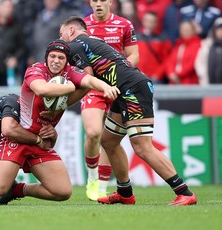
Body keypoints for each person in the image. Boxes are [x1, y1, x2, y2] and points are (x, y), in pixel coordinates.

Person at [59, 16, 197, 206]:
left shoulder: (75, 44)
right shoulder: (94, 41)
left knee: (142, 146)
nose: (61, 40)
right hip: (125, 89)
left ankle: (184, 192)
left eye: (61, 34)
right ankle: (125, 193)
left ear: (72, 30)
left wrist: (62, 101)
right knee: (109, 141)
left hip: (133, 89)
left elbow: (87, 79)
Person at [0, 39, 120, 205]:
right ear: (46, 58)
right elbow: (41, 89)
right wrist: (70, 87)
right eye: (52, 56)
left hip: (40, 142)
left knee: (63, 192)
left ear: (66, 61)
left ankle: (17, 190)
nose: (56, 61)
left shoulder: (70, 72)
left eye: (61, 58)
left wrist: (105, 87)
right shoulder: (36, 69)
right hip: (17, 137)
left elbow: (89, 81)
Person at [81, 0, 139, 201]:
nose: (98, 4)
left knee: (109, 139)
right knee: (94, 132)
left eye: (102, 0)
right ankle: (93, 176)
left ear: (110, 1)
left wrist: (122, 73)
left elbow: (134, 56)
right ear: (90, 2)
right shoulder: (83, 26)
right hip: (93, 86)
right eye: (95, 0)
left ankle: (103, 187)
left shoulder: (124, 25)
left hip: (118, 88)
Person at [164, 20, 201, 85]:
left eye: (188, 30)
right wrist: (170, 73)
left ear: (193, 31)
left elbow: (192, 63)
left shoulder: (198, 45)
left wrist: (177, 74)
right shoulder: (178, 45)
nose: (185, 32)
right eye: (183, 30)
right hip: (174, 81)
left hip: (189, 81)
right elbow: (170, 61)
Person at [195, 17, 222, 84]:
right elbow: (199, 63)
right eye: (219, 29)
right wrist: (203, 76)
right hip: (209, 84)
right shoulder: (206, 44)